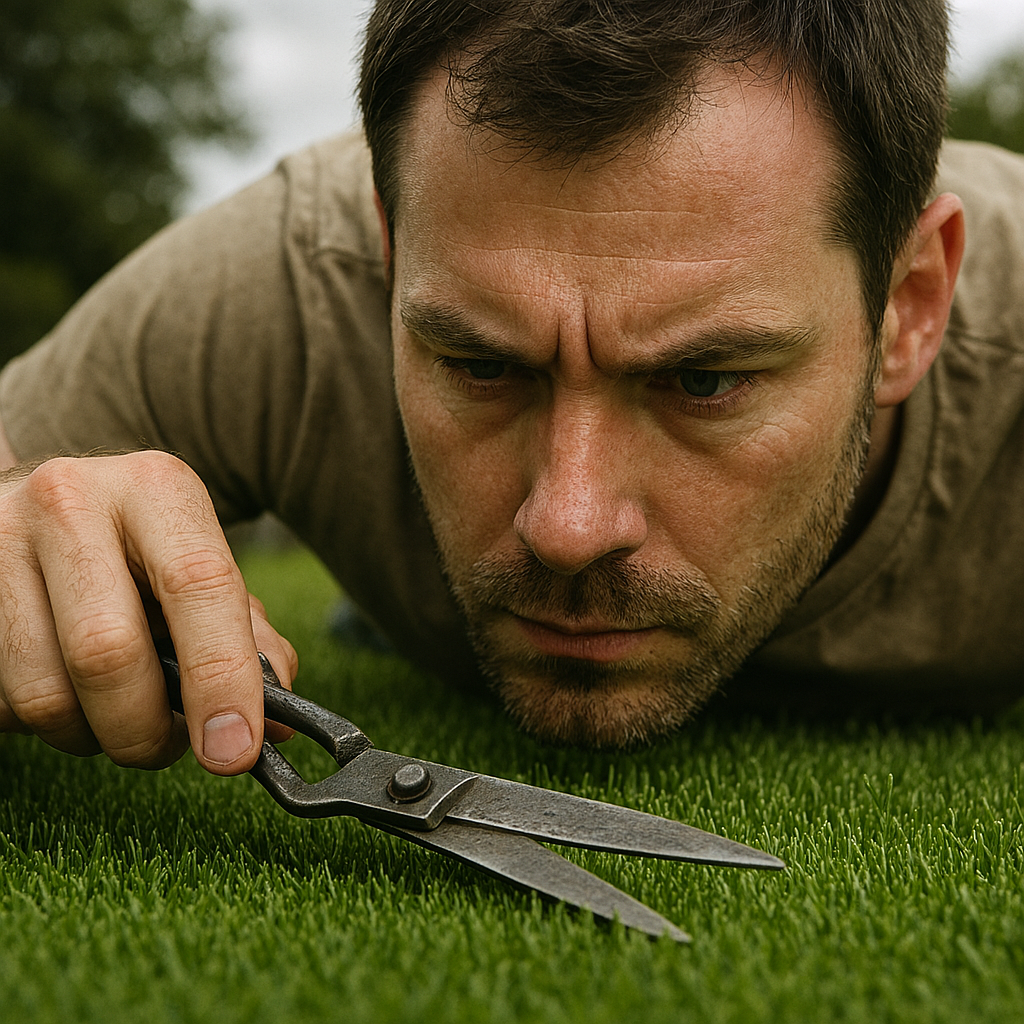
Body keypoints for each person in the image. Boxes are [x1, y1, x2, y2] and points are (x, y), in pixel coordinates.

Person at [1, 0, 1021, 773]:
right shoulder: (288, 281)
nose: (566, 525)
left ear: (909, 306)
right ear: (390, 256)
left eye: (703, 379)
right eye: (482, 365)